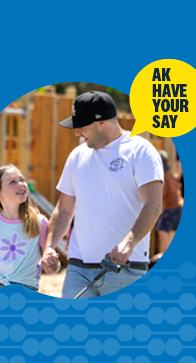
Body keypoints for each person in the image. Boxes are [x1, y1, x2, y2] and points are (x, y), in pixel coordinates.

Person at [41, 91, 164, 299]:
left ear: (102, 123)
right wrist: (50, 247)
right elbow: (64, 209)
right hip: (78, 269)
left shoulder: (140, 151)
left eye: (81, 126)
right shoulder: (77, 155)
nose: (77, 132)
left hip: (126, 269)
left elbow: (153, 204)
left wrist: (129, 242)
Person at [0, 165, 50, 302]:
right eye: (12, 182)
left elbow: (49, 258)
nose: (21, 184)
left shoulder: (40, 223)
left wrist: (52, 263)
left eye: (22, 180)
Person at [152, 150, 184, 262]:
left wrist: (158, 211)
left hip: (172, 207)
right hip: (180, 205)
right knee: (175, 228)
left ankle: (165, 252)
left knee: (161, 228)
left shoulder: (163, 176)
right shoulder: (169, 174)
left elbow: (162, 194)